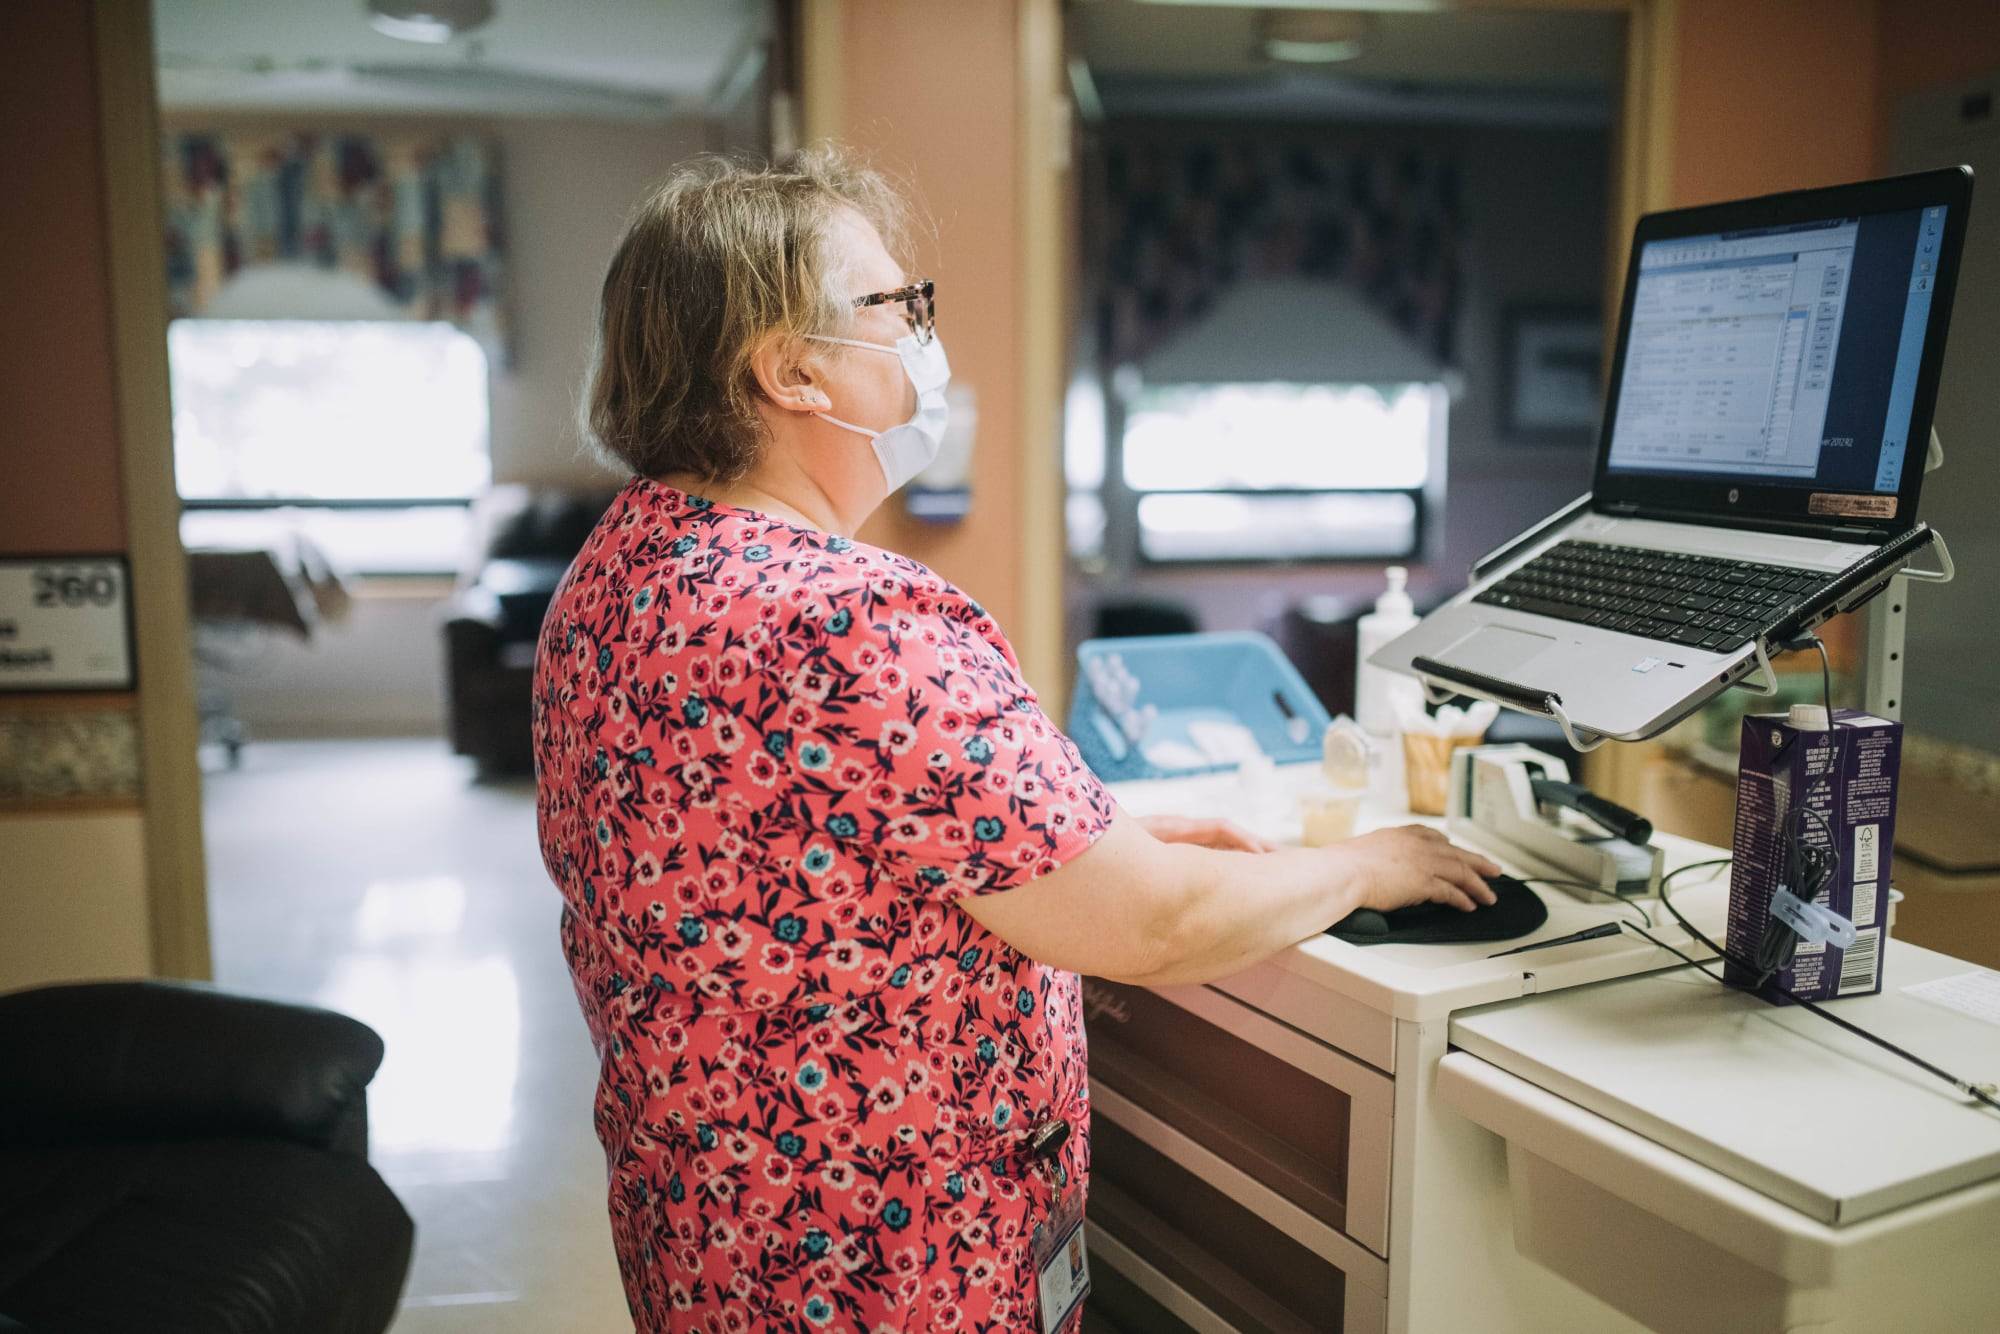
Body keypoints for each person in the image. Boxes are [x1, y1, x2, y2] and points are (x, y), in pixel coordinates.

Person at [533, 146, 1499, 1334]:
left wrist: (1099, 831)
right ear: (788, 368)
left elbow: (779, 836)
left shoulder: (619, 570)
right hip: (880, 1267)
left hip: (711, 1236)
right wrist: (1368, 862)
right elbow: (1154, 922)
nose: (924, 339)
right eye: (896, 307)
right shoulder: (849, 616)